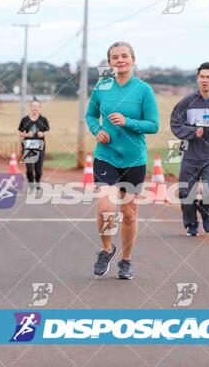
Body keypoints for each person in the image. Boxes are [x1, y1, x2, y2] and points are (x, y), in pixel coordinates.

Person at [85, 41, 159, 280]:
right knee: (105, 206)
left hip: (133, 159)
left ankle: (126, 261)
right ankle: (107, 249)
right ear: (110, 62)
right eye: (115, 57)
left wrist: (128, 122)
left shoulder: (143, 90)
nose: (120, 60)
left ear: (133, 60)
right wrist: (97, 130)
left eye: (124, 56)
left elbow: (154, 125)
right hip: (106, 155)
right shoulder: (102, 87)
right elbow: (90, 115)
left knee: (129, 213)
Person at [170, 62, 209, 236]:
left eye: (208, 77)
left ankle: (205, 214)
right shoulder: (187, 102)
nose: (205, 80)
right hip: (191, 154)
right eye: (202, 77)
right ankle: (192, 224)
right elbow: (175, 123)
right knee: (185, 192)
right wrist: (191, 131)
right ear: (197, 79)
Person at [17, 99, 49, 193]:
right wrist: (27, 135)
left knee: (38, 170)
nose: (35, 108)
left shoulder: (43, 120)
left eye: (37, 106)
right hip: (28, 147)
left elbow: (47, 130)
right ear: (30, 108)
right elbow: (19, 133)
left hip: (40, 147)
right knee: (30, 169)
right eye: (33, 106)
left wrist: (43, 134)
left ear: (39, 108)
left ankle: (38, 183)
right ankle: (31, 184)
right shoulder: (25, 120)